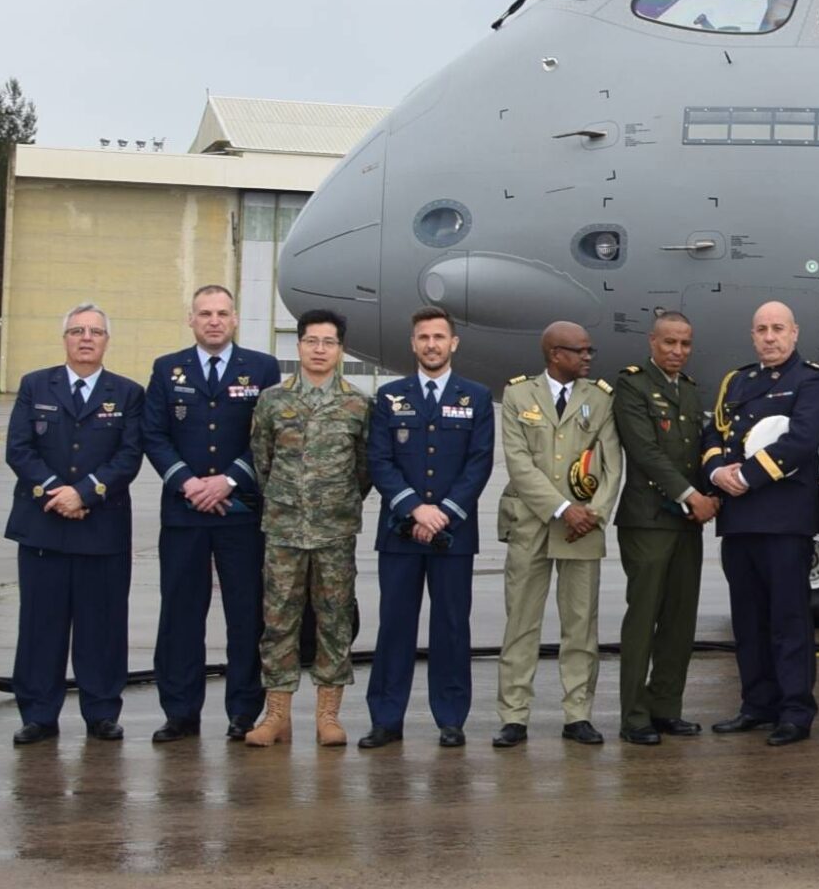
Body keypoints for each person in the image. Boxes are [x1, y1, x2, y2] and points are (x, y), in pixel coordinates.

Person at [140, 285, 280, 743]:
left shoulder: (261, 368)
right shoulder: (167, 368)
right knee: (181, 613)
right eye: (205, 314)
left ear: (235, 319)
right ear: (191, 320)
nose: (214, 321)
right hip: (185, 512)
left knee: (246, 615)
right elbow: (154, 435)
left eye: (222, 313)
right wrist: (190, 482)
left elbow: (265, 437)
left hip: (240, 513)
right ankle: (181, 711)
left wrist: (228, 480)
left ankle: (243, 711)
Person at [8, 303, 145, 745]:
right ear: (64, 338)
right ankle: (38, 715)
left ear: (107, 340)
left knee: (101, 627)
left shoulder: (126, 393)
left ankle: (101, 712)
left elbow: (128, 456)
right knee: (40, 626)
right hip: (44, 525)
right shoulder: (34, 385)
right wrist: (57, 491)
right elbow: (19, 449)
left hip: (100, 528)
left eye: (96, 332)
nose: (86, 338)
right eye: (77, 331)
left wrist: (84, 493)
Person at [359, 308, 494, 749]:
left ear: (454, 343)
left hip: (454, 536)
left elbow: (479, 463)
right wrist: (416, 510)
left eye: (439, 337)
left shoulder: (476, 397)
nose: (431, 344)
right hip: (400, 533)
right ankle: (385, 718)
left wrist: (444, 513)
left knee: (452, 628)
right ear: (413, 344)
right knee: (394, 626)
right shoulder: (389, 397)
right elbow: (380, 461)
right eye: (423, 337)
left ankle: (451, 718)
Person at [703, 300, 819, 746]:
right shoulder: (738, 381)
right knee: (749, 620)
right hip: (739, 522)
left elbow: (801, 441)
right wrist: (716, 471)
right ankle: (756, 704)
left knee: (789, 620)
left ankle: (795, 710)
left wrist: (745, 475)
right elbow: (714, 432)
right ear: (753, 335)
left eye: (778, 328)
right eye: (762, 329)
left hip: (782, 521)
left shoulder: (812, 380)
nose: (770, 337)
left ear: (795, 333)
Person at [242, 308, 374, 748]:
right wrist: (290, 500)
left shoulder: (357, 403)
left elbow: (364, 470)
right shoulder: (273, 401)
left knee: (334, 620)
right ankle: (277, 714)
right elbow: (262, 461)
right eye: (312, 341)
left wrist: (331, 504)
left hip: (334, 532)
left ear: (341, 350)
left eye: (329, 343)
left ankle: (328, 716)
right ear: (297, 346)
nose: (320, 350)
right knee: (278, 620)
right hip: (283, 530)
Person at [491, 320, 622, 748]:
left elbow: (611, 465)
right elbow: (519, 463)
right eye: (580, 351)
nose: (588, 357)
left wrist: (594, 513)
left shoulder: (599, 399)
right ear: (554, 355)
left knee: (581, 626)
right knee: (521, 625)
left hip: (583, 530)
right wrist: (564, 509)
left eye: (589, 350)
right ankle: (514, 716)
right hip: (531, 524)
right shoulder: (517, 395)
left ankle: (578, 714)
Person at [612, 310, 714, 746]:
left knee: (679, 621)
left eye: (685, 344)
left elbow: (700, 453)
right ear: (652, 342)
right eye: (669, 343)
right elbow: (646, 452)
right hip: (648, 521)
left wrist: (714, 493)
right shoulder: (632, 386)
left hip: (687, 525)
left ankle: (666, 707)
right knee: (643, 620)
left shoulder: (690, 392)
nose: (677, 352)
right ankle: (634, 715)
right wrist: (692, 496)